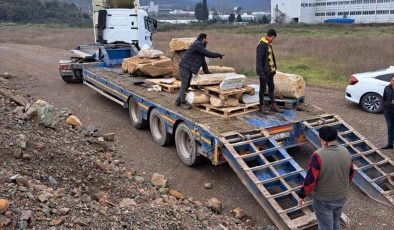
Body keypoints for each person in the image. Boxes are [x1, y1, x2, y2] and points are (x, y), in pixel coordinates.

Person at [297, 126, 354, 230]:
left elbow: (310, 179)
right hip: (341, 196)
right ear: (336, 137)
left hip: (324, 200)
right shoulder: (345, 151)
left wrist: (301, 195)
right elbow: (350, 174)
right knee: (336, 222)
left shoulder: (318, 155)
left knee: (325, 227)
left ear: (319, 138)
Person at [175, 33, 224, 109]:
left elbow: (202, 61)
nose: (208, 40)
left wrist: (207, 73)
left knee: (187, 85)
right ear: (203, 39)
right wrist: (218, 55)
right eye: (207, 39)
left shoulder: (200, 47)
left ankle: (178, 100)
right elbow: (208, 54)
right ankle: (182, 103)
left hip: (188, 68)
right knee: (184, 85)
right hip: (185, 67)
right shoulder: (197, 45)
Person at [256, 29, 284, 114]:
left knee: (271, 87)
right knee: (263, 89)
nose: (273, 40)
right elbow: (259, 60)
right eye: (273, 38)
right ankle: (261, 106)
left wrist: (274, 69)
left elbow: (271, 58)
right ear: (272, 36)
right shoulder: (261, 45)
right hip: (264, 72)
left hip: (270, 71)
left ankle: (273, 105)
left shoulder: (268, 44)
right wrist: (260, 72)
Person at [382, 75, 394, 149]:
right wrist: (385, 107)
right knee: (390, 127)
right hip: (388, 112)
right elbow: (384, 98)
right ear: (390, 80)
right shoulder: (386, 88)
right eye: (393, 80)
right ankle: (390, 143)